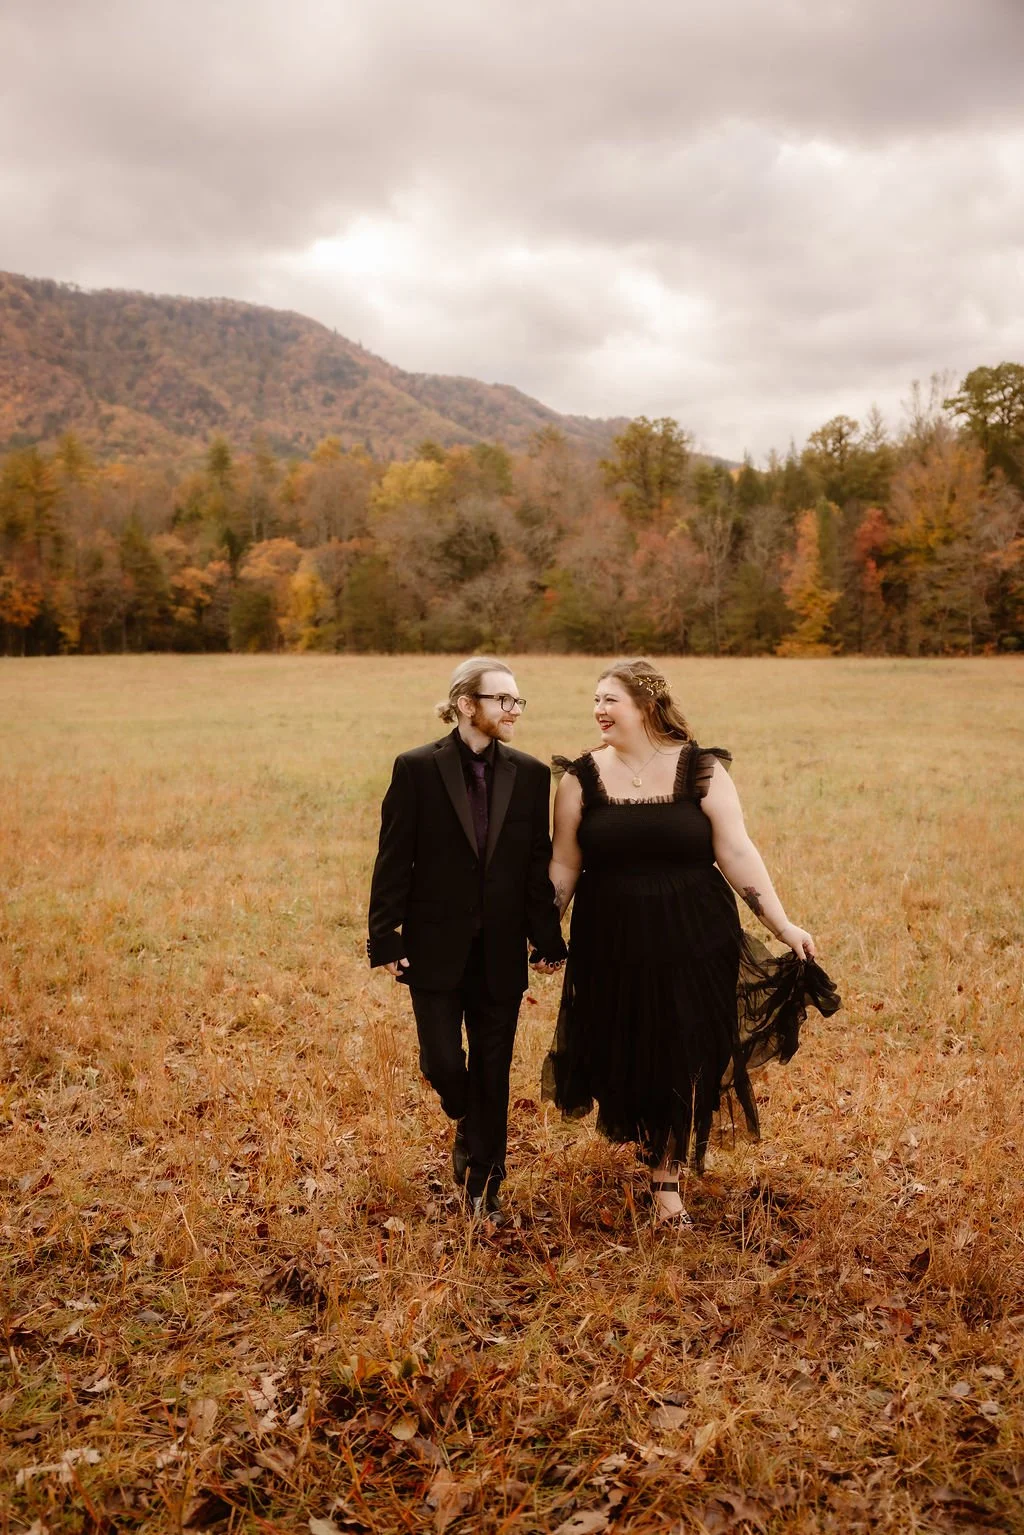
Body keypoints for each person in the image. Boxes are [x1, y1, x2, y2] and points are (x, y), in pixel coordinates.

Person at [542, 658, 840, 1227]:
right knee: (631, 1044)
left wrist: (784, 925)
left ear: (647, 706)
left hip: (695, 931)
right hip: (612, 938)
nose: (598, 710)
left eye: (610, 699)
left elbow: (737, 852)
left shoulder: (700, 769)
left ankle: (666, 1177)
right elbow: (564, 863)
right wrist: (544, 930)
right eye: (595, 699)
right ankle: (654, 1147)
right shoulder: (580, 778)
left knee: (685, 1044)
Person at [367, 656, 566, 1225]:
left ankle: (485, 1183)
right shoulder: (416, 769)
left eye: (518, 701)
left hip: (501, 948)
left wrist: (547, 937)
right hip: (432, 945)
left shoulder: (529, 775)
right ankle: (468, 1119)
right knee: (441, 1062)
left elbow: (535, 864)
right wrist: (385, 936)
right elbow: (393, 858)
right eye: (503, 699)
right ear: (465, 704)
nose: (514, 710)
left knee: (494, 1065)